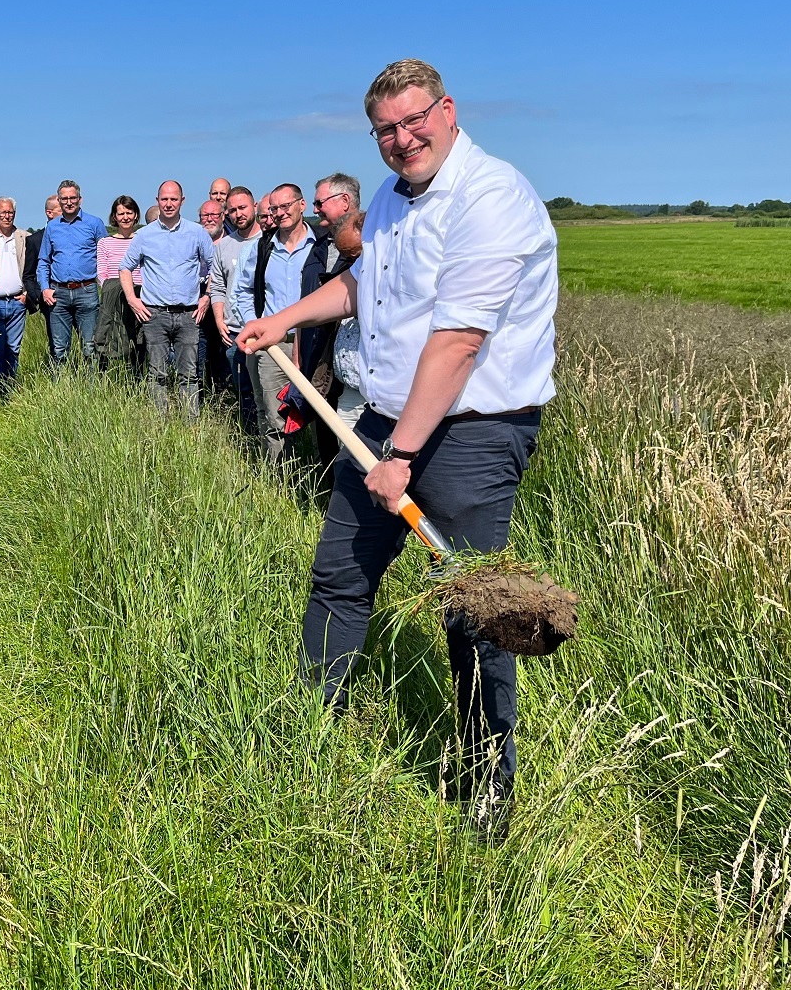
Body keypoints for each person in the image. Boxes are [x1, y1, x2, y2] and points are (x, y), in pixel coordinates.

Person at [238, 58, 559, 840]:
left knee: (474, 609)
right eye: (386, 128)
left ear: (448, 111)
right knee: (339, 575)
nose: (402, 137)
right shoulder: (388, 198)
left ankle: (487, 793)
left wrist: (401, 457)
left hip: (473, 431)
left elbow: (457, 342)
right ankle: (314, 739)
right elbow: (359, 286)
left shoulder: (492, 197)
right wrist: (285, 321)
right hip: (381, 424)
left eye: (414, 120)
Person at [233, 183, 315, 463]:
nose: (280, 213)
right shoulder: (263, 247)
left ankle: (314, 468)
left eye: (286, 206)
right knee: (272, 411)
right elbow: (242, 290)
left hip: (311, 342)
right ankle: (281, 475)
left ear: (301, 205)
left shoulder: (319, 247)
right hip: (272, 345)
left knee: (316, 411)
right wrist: (255, 326)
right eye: (274, 209)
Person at [291, 174, 365, 483]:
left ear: (345, 201)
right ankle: (332, 499)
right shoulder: (319, 247)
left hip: (363, 376)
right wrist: (298, 353)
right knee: (329, 438)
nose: (316, 209)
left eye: (320, 202)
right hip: (324, 362)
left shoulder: (373, 243)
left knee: (364, 453)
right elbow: (306, 300)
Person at [120, 181, 216, 416]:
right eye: (164, 199)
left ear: (182, 201)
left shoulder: (197, 233)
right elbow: (125, 268)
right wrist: (133, 300)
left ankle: (190, 424)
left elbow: (216, 267)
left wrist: (207, 297)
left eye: (174, 199)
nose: (169, 204)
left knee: (189, 374)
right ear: (157, 200)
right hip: (154, 313)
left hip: (189, 314)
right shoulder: (144, 235)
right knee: (157, 374)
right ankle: (159, 422)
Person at [37, 179, 107, 369]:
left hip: (87, 290)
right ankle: (60, 390)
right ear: (59, 201)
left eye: (72, 198)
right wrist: (45, 288)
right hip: (58, 293)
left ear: (80, 199)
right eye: (64, 199)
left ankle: (95, 389)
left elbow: (105, 257)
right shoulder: (52, 227)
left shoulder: (94, 224)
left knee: (90, 347)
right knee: (59, 349)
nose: (69, 202)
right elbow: (44, 260)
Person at [210, 186, 262, 435]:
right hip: (233, 332)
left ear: (255, 206)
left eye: (242, 208)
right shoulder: (224, 246)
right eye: (232, 210)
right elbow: (218, 286)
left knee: (268, 393)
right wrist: (219, 319)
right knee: (243, 392)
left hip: (264, 331)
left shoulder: (269, 240)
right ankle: (249, 439)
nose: (238, 214)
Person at [94, 195, 144, 373]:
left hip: (139, 296)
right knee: (109, 337)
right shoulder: (105, 242)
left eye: (129, 212)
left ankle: (137, 377)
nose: (125, 217)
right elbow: (102, 273)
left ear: (136, 214)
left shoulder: (143, 239)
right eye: (121, 213)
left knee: (138, 341)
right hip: (113, 299)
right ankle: (108, 377)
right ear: (114, 217)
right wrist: (116, 289)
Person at [0, 197, 29, 392]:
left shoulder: (24, 237)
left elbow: (32, 268)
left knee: (13, 350)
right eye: (3, 212)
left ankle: (8, 390)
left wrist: (28, 292)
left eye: (10, 212)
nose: (7, 216)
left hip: (18, 303)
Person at [195, 200, 231, 394]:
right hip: (197, 307)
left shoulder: (233, 243)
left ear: (223, 216)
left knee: (223, 355)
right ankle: (200, 396)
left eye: (214, 215)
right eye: (204, 216)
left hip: (225, 307)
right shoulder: (194, 241)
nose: (209, 219)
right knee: (199, 354)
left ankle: (224, 395)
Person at [21, 193, 58, 353]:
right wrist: (39, 296)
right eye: (61, 209)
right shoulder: (35, 240)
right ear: (49, 213)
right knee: (56, 342)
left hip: (77, 294)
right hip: (49, 299)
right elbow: (28, 274)